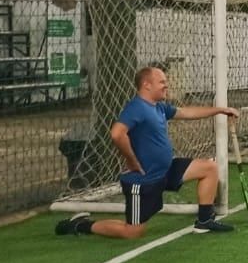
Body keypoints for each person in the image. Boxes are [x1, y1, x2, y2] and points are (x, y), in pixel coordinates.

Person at [56, 65, 238, 238]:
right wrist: (131, 160)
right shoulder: (136, 107)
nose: (166, 85)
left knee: (209, 168)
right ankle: (81, 225)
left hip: (166, 170)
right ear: (146, 85)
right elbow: (117, 134)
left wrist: (221, 110)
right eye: (162, 81)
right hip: (144, 180)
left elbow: (187, 112)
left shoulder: (159, 107)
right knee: (132, 232)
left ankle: (205, 221)